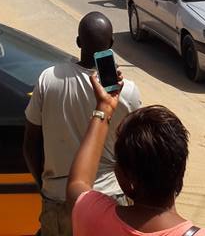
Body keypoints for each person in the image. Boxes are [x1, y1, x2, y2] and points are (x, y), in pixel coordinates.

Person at [24, 12, 141, 236]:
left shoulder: (48, 80)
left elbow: (30, 145)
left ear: (78, 42)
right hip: (109, 198)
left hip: (58, 198)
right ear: (112, 44)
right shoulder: (127, 92)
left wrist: (46, 187)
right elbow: (134, 154)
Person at [67, 79, 205, 236]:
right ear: (181, 169)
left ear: (126, 177)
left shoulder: (91, 214)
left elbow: (78, 182)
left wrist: (104, 107)